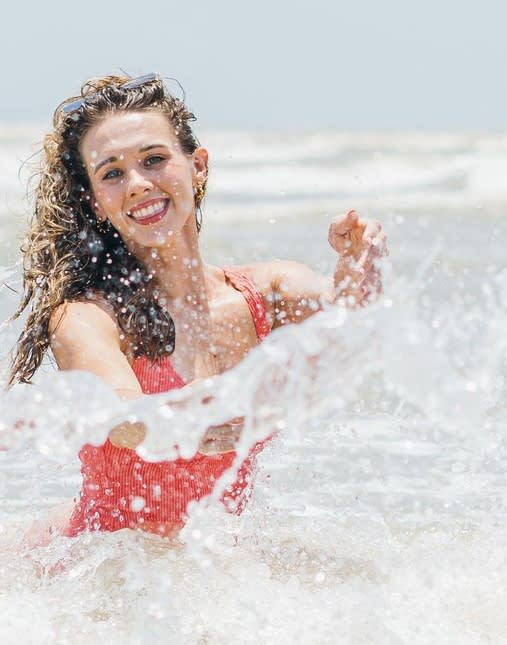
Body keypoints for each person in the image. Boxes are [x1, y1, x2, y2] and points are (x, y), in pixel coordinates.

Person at [8, 73, 388, 541]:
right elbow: (120, 418)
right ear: (96, 202)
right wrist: (181, 421)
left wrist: (358, 272)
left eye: (154, 159)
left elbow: (353, 327)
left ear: (198, 166)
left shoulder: (267, 292)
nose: (137, 183)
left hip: (211, 561)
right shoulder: (86, 318)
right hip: (97, 567)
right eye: (111, 173)